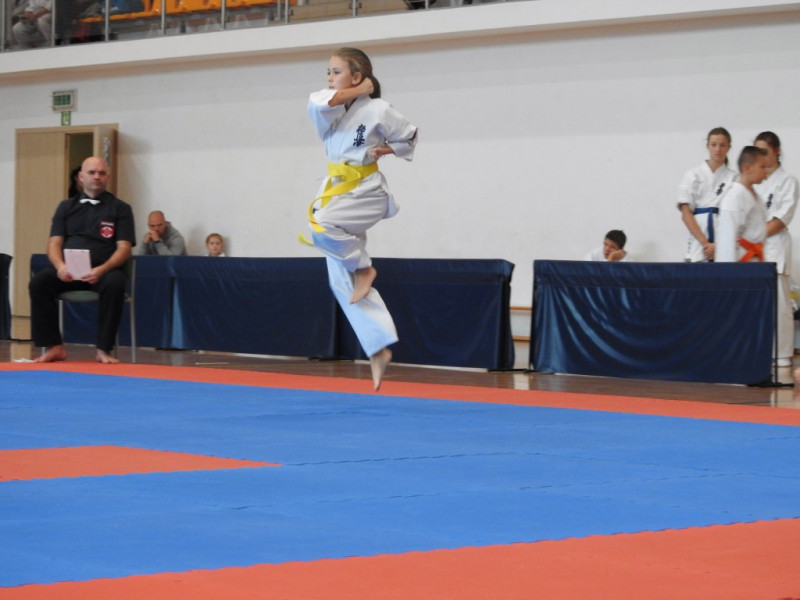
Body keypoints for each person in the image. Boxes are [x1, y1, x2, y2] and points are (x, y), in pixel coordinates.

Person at [306, 47, 418, 391]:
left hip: (366, 192)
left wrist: (390, 149)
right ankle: (378, 347)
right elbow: (326, 101)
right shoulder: (323, 101)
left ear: (356, 75)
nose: (329, 78)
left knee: (321, 226)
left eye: (336, 71)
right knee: (339, 280)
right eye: (328, 72)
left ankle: (364, 267)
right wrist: (361, 87)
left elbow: (410, 135)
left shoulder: (378, 109)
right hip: (338, 192)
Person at [28, 156, 136, 364]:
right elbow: (54, 244)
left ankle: (103, 349)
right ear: (81, 177)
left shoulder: (121, 208)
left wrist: (102, 269)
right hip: (69, 271)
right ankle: (54, 346)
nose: (97, 177)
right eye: (92, 173)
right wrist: (60, 266)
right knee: (39, 283)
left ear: (107, 177)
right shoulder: (65, 207)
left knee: (115, 283)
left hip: (103, 272)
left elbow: (124, 248)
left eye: (102, 173)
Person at [753, 131, 799, 367]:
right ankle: (757, 352)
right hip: (751, 250)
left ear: (777, 151)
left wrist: (754, 235)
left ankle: (781, 355)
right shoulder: (754, 181)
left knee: (780, 302)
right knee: (755, 303)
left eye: (765, 151)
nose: (761, 155)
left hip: (774, 245)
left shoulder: (787, 181)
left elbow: (781, 218)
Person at [677, 127, 738, 262]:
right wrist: (705, 243)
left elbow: (737, 217)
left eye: (722, 145)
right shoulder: (693, 175)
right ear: (707, 146)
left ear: (729, 147)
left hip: (724, 236)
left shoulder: (734, 178)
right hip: (698, 238)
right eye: (714, 145)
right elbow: (686, 214)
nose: (718, 149)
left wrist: (719, 245)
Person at [715, 146, 769, 263]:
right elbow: (726, 239)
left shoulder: (756, 197)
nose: (766, 171)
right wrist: (728, 270)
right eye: (762, 167)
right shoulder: (734, 197)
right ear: (747, 168)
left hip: (755, 260)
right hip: (740, 263)